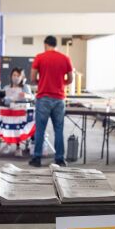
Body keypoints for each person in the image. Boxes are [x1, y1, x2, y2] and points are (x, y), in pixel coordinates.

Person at [29, 36, 73, 167]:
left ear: (45, 44)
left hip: (43, 98)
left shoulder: (40, 57)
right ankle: (59, 159)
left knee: (40, 130)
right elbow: (70, 79)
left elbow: (32, 77)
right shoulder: (65, 58)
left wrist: (41, 82)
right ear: (55, 44)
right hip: (59, 99)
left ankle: (37, 158)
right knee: (59, 129)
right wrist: (61, 83)